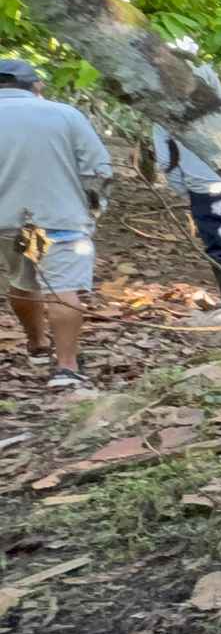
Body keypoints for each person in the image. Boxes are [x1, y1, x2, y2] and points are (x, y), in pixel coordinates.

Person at [0, 60, 112, 388]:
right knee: (62, 288)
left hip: (8, 222)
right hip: (57, 218)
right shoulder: (64, 114)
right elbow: (100, 169)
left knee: (23, 281)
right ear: (36, 86)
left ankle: (36, 345)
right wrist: (94, 207)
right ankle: (66, 368)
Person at [153, 123, 221, 311]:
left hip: (203, 188)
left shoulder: (161, 117)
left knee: (218, 248)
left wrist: (183, 189)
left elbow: (166, 161)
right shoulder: (220, 103)